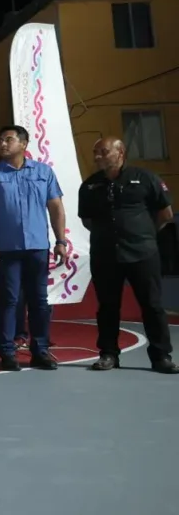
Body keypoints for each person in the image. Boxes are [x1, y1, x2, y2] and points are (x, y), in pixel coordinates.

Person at [78, 136, 179, 373]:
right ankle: (108, 354)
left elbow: (165, 214)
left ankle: (161, 356)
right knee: (107, 306)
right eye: (95, 152)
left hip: (142, 253)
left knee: (152, 305)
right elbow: (87, 220)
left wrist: (143, 234)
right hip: (105, 255)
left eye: (103, 151)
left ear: (120, 152)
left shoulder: (145, 178)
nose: (97, 157)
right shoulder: (90, 185)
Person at [0, 125, 66, 371]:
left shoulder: (44, 172)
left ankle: (40, 350)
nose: (2, 144)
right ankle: (7, 352)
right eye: (0, 140)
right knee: (9, 300)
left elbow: (56, 208)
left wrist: (61, 241)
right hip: (5, 248)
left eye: (8, 139)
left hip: (38, 247)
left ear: (24, 144)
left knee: (39, 300)